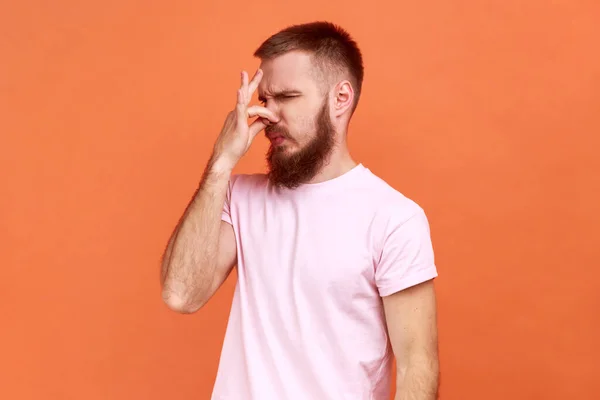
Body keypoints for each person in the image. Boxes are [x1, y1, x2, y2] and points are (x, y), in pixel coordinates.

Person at [160, 21, 440, 400]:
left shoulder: (393, 218)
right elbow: (181, 295)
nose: (269, 114)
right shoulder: (237, 197)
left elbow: (416, 366)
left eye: (287, 97)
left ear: (341, 97)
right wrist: (221, 163)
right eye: (265, 99)